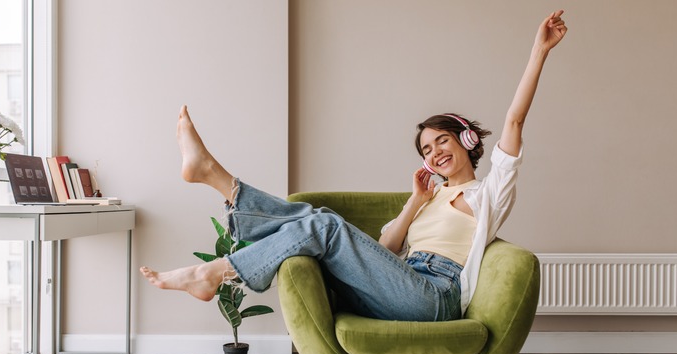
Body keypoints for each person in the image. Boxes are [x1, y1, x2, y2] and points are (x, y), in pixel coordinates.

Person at [141, 10, 567, 322]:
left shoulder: (488, 193)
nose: (434, 152)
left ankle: (214, 247)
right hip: (397, 285)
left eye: (442, 140)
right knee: (323, 222)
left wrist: (539, 51)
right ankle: (217, 186)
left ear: (467, 142)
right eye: (426, 149)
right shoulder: (430, 195)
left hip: (435, 298)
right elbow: (382, 254)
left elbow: (514, 121)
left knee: (325, 225)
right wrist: (414, 203)